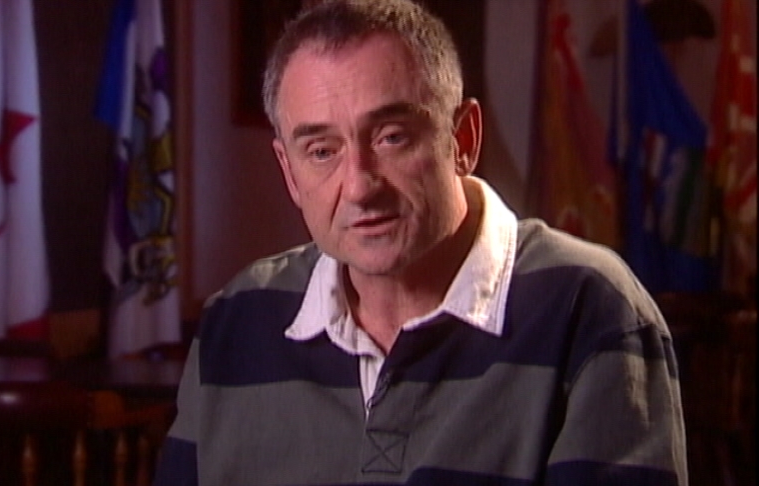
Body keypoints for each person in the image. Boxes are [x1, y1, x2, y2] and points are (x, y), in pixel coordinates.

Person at [153, 0, 688, 485]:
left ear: (463, 140)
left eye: (392, 137)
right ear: (290, 174)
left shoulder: (589, 308)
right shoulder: (236, 319)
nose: (359, 186)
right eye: (322, 151)